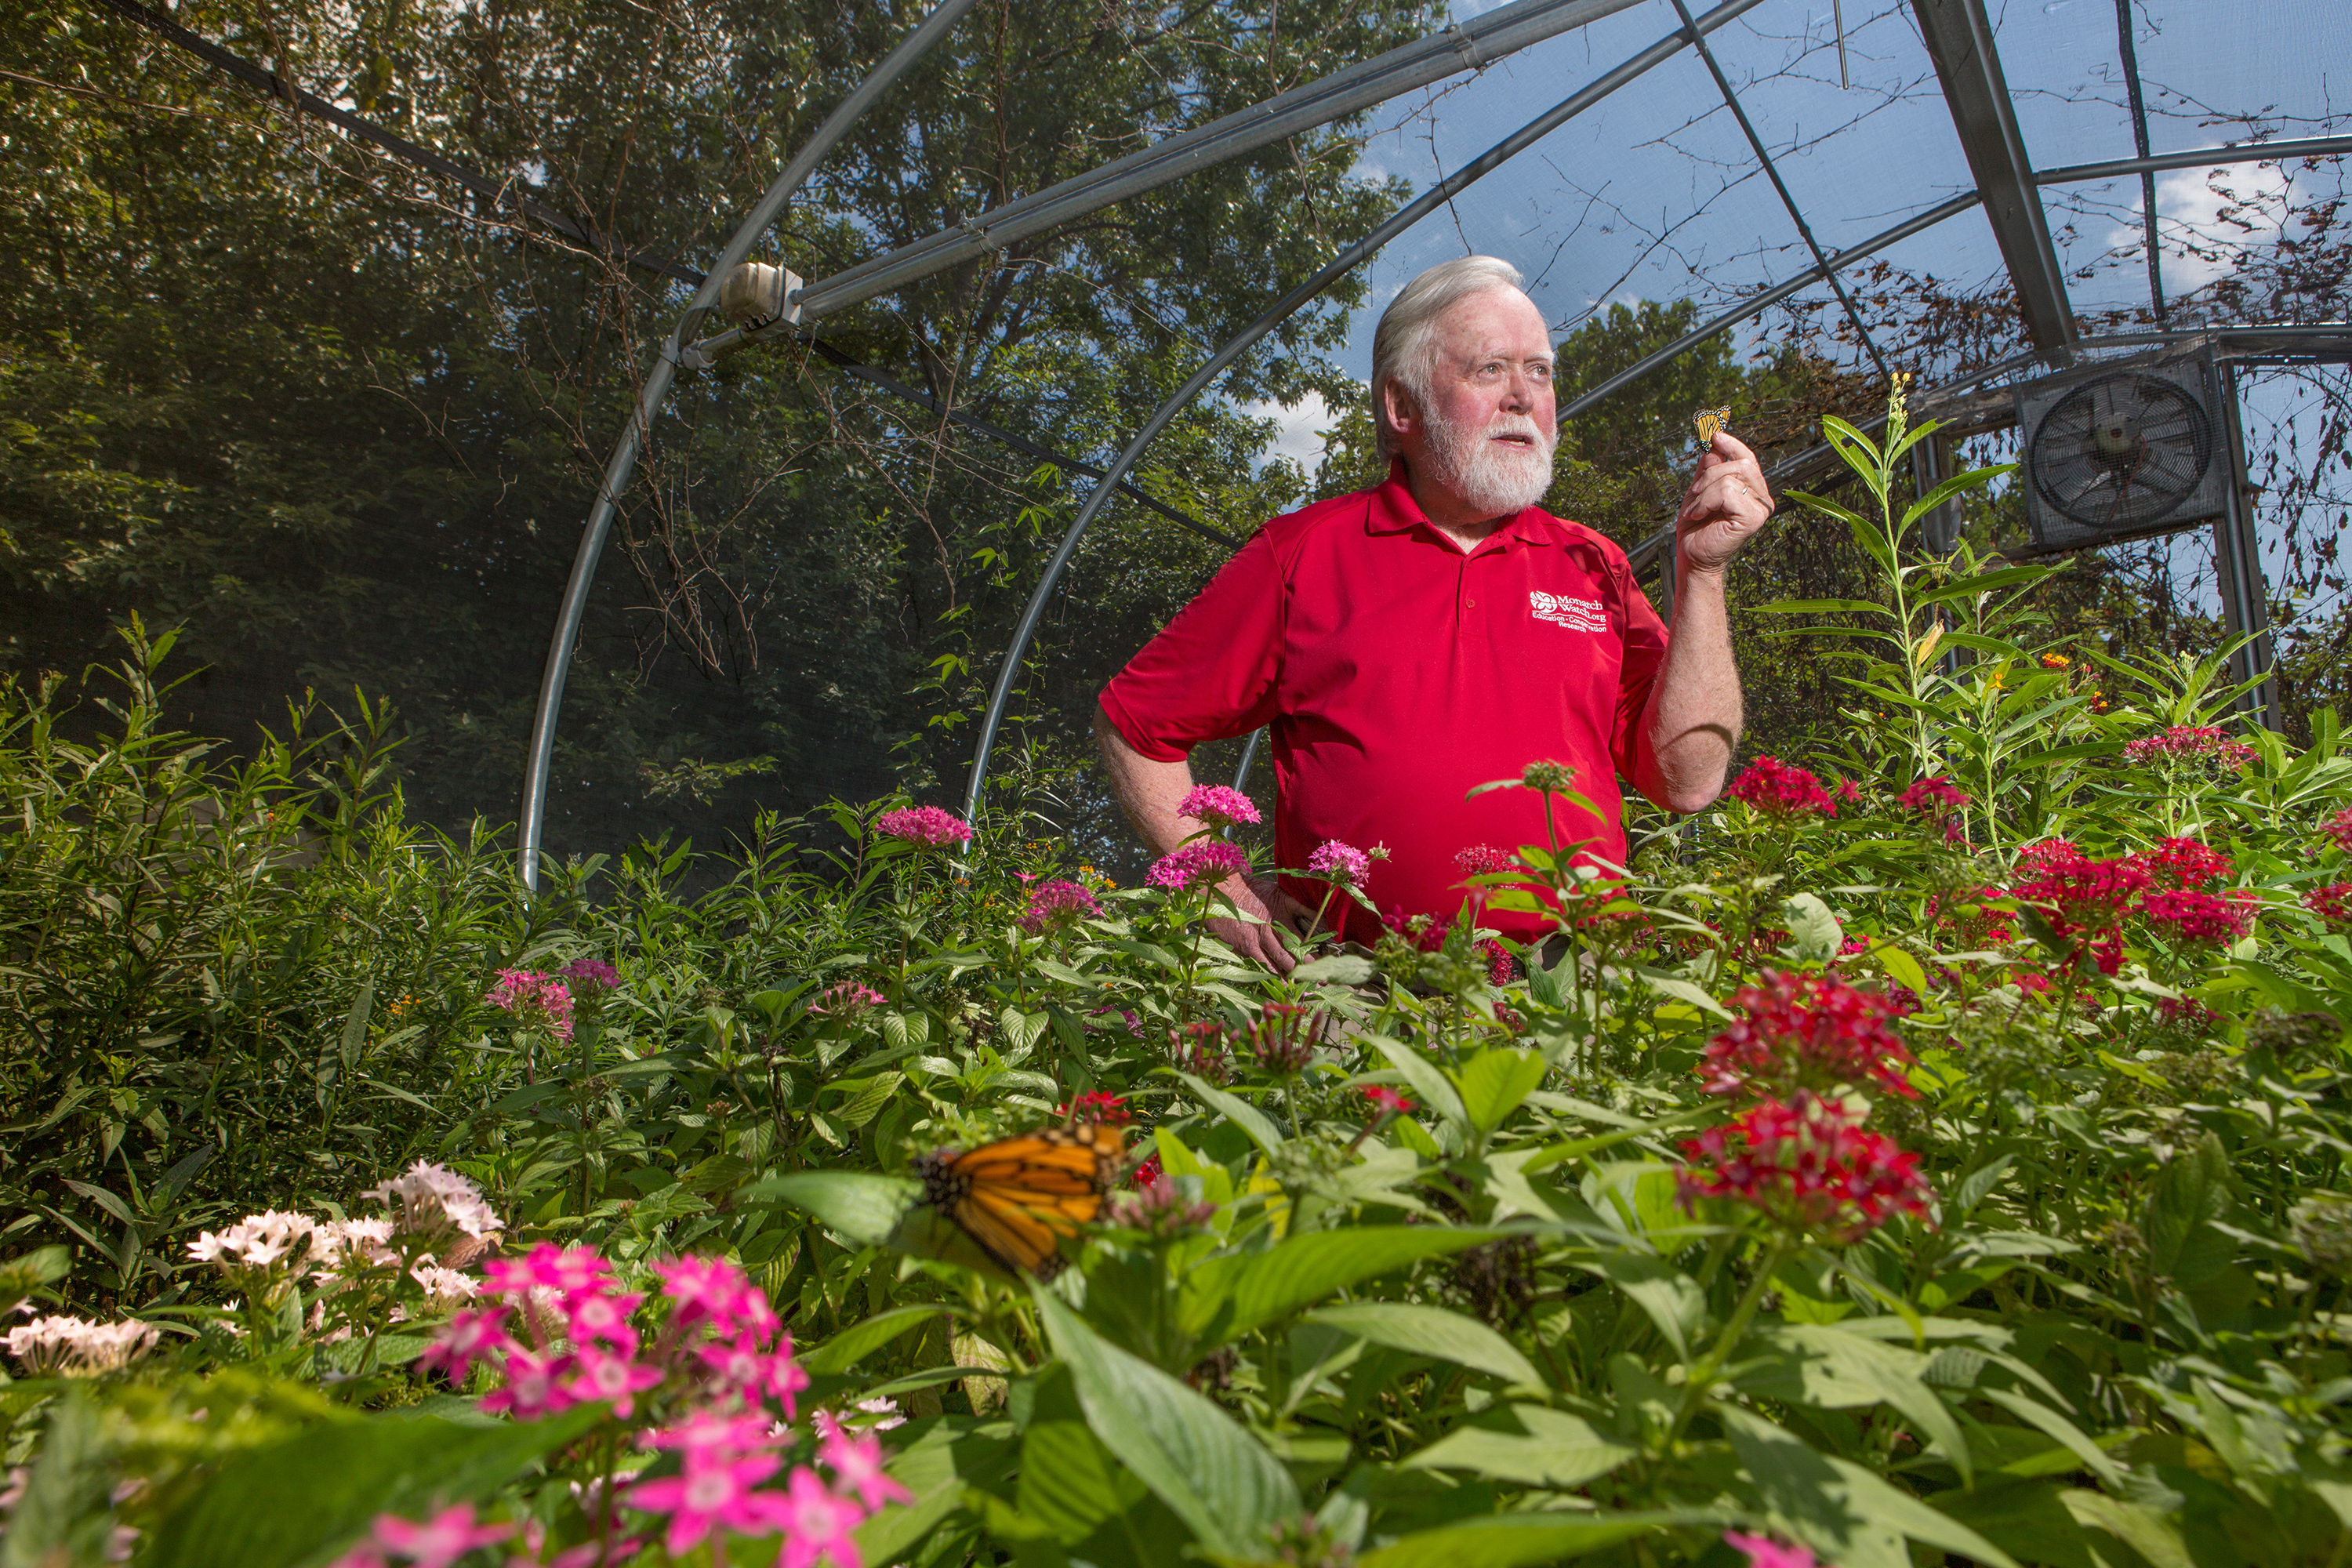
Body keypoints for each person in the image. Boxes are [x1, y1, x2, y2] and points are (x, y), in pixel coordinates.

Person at [1094, 256, 1773, 973]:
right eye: (1490, 369)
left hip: (1573, 997)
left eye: (1540, 372)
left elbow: (1687, 780)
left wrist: (1702, 573)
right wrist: (1224, 890)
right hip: (1360, 998)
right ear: (1402, 406)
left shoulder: (1593, 564)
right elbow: (1137, 725)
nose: (1523, 396)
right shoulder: (1303, 555)